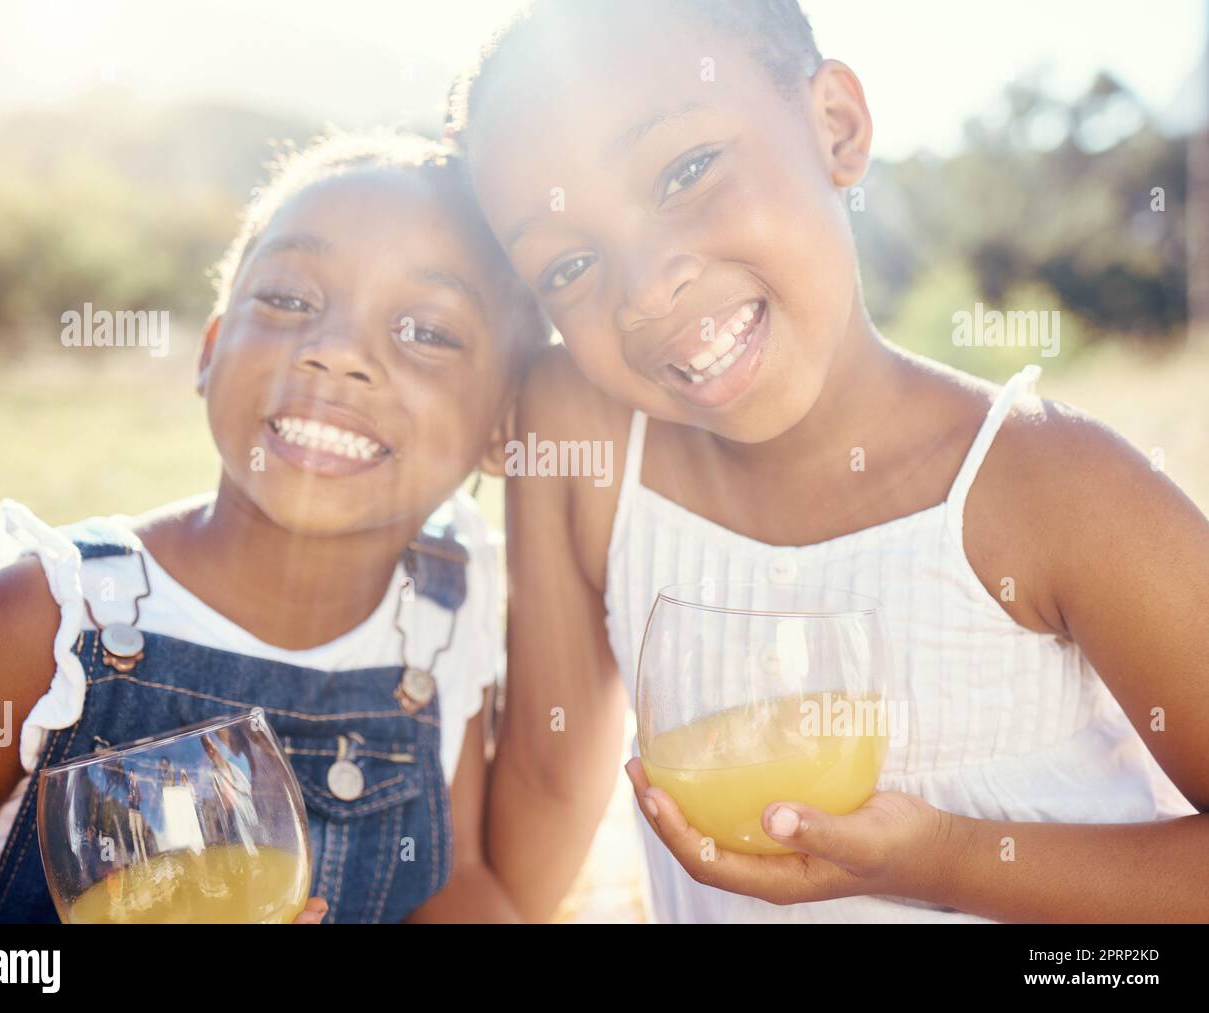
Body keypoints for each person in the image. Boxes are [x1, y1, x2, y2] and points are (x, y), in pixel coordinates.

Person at [446, 0, 1209, 922]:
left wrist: (941, 858)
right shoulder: (587, 435)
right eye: (567, 266)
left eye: (686, 170)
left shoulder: (1055, 488)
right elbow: (542, 781)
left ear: (836, 128)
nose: (648, 287)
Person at [0, 130, 544, 923]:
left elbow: (457, 880)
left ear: (502, 427)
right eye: (290, 300)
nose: (337, 351)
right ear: (211, 350)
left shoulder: (443, 609)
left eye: (428, 330)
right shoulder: (41, 622)